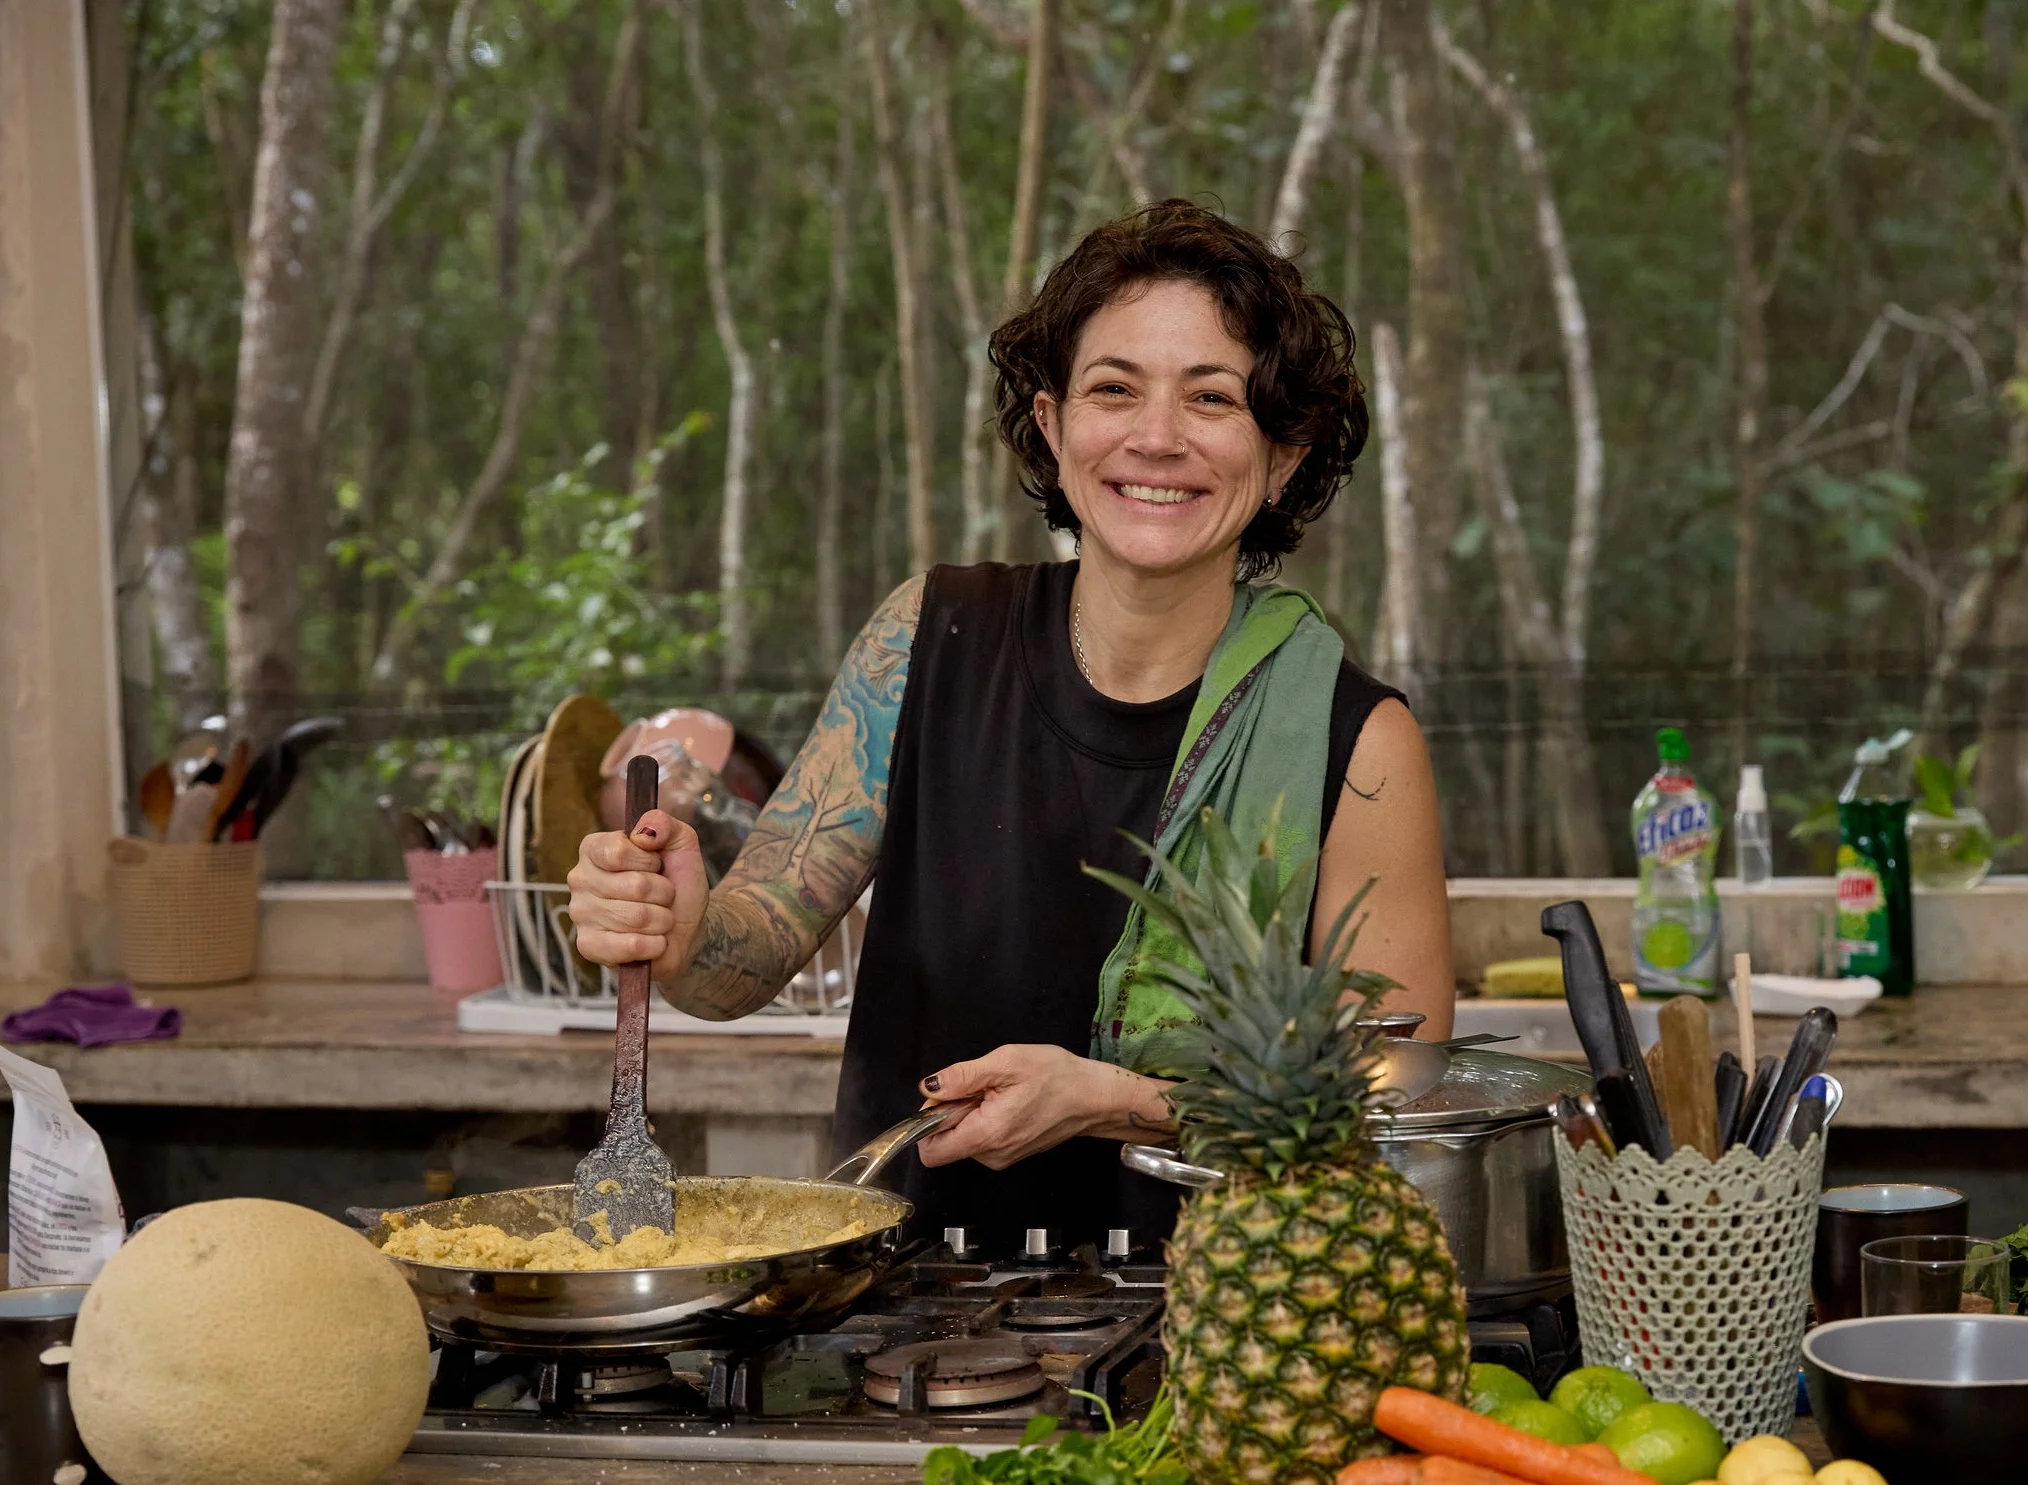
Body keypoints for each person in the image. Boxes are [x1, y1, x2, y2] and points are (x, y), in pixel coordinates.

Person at [566, 200, 1451, 1255]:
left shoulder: (1360, 742)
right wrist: (674, 929)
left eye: (1211, 399)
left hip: (1226, 1322)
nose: (1156, 438)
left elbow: (1401, 1085)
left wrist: (1112, 1098)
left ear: (1285, 455)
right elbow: (734, 966)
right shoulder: (926, 638)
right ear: (1051, 424)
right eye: (1113, 390)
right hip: (897, 1320)